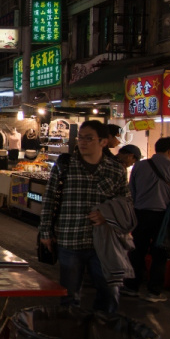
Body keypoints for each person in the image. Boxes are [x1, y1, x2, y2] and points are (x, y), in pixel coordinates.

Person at [38, 120, 130, 312]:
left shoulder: (115, 171)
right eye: (81, 137)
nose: (83, 142)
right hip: (70, 239)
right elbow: (49, 200)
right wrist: (45, 232)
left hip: (104, 242)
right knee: (69, 294)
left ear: (103, 142)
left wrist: (107, 216)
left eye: (89, 138)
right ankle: (70, 333)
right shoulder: (64, 166)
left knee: (109, 292)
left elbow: (124, 204)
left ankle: (102, 331)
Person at [123, 137, 170, 302]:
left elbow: (132, 190)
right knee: (159, 253)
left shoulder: (139, 166)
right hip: (163, 217)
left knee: (137, 251)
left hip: (140, 214)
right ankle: (154, 292)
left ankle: (131, 287)